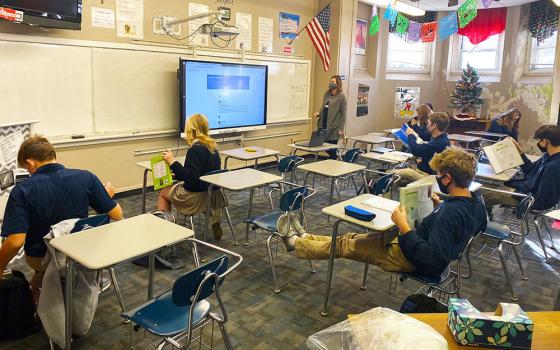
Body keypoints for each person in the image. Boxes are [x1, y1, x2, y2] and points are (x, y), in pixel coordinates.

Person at [282, 148, 487, 278]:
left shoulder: (449, 213)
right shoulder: (476, 203)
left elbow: (430, 259)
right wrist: (439, 206)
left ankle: (295, 244)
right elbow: (469, 225)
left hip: (406, 257)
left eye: (439, 176)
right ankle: (307, 238)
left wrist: (404, 227)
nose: (437, 179)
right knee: (347, 237)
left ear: (448, 178)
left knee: (345, 244)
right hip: (408, 245)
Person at [0, 135, 123, 300]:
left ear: (30, 163)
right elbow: (117, 214)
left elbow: (15, 241)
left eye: (26, 168)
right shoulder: (86, 177)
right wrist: (104, 196)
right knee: (49, 270)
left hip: (41, 257)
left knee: (43, 268)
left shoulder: (22, 191)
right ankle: (40, 295)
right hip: (80, 252)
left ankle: (34, 303)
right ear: (54, 157)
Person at [157, 113, 225, 239]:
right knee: (178, 181)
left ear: (191, 131)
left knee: (163, 193)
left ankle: (165, 229)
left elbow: (191, 178)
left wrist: (172, 162)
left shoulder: (194, 150)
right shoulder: (213, 148)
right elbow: (200, 172)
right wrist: (178, 171)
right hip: (213, 194)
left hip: (195, 197)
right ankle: (215, 221)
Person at [482, 125, 560, 212]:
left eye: (539, 140)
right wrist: (520, 153)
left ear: (546, 141)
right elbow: (530, 170)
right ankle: (486, 217)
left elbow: (542, 199)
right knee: (489, 187)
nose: (538, 143)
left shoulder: (552, 167)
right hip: (527, 193)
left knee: (485, 194)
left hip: (529, 200)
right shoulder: (548, 156)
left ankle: (481, 220)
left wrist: (515, 191)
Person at [393, 112, 451, 185]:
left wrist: (411, 135)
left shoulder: (439, 143)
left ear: (434, 126)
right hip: (423, 169)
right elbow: (431, 154)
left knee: (392, 173)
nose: (427, 126)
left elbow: (415, 150)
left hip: (429, 176)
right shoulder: (440, 139)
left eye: (428, 123)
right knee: (400, 172)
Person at [315, 75, 347, 159]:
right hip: (323, 124)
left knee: (331, 147)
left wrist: (341, 128)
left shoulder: (342, 96)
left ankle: (333, 163)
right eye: (330, 81)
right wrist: (319, 113)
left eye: (333, 82)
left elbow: (344, 114)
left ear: (338, 83)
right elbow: (324, 106)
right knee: (322, 144)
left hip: (334, 127)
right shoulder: (327, 94)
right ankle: (336, 157)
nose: (331, 83)